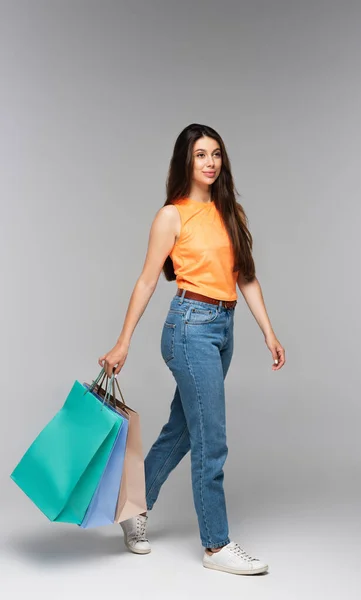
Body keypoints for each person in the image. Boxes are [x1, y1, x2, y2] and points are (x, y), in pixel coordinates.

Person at [98, 123, 285, 576]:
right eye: (201, 154)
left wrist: (269, 332)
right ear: (187, 161)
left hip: (224, 327)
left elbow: (246, 278)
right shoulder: (172, 215)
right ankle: (216, 545)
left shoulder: (231, 213)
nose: (210, 162)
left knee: (183, 430)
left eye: (216, 154)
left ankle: (132, 509)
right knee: (210, 438)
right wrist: (123, 340)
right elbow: (147, 279)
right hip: (189, 328)